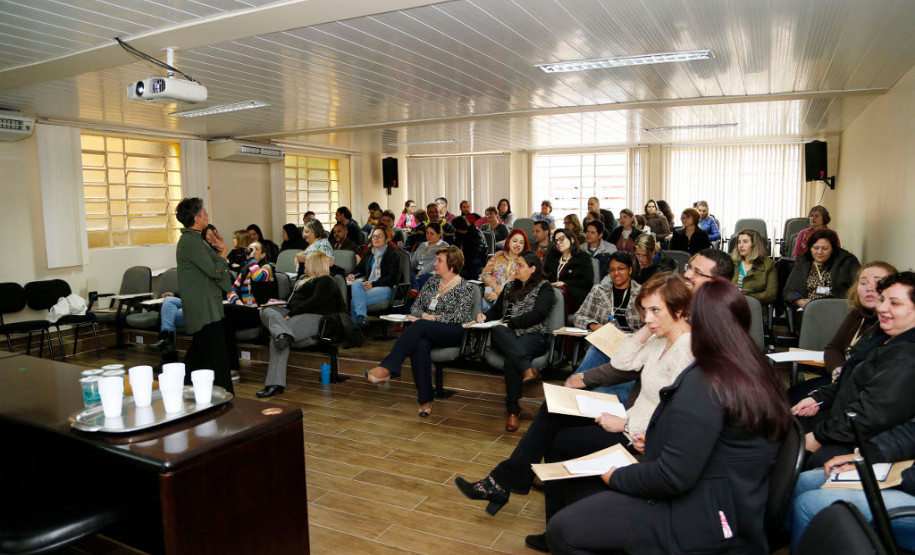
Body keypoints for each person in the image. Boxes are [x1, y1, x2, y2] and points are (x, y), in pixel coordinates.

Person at [545, 279, 790, 555]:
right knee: (581, 496)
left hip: (700, 518)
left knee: (563, 530)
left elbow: (672, 477)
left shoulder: (704, 380)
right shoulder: (760, 369)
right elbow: (709, 444)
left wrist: (615, 476)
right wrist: (654, 442)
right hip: (735, 507)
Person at [455, 274, 695, 531]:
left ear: (679, 309)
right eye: (645, 311)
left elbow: (678, 412)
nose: (647, 318)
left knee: (558, 440)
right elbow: (622, 362)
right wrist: (648, 327)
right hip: (631, 421)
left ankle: (507, 486)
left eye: (655, 310)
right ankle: (528, 504)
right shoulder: (660, 340)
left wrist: (625, 422)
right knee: (555, 409)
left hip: (640, 434)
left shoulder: (687, 349)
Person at [791, 271, 915, 468]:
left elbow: (870, 416)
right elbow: (850, 377)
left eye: (895, 303)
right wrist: (819, 397)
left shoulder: (907, 356)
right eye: (882, 300)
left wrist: (818, 436)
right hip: (842, 419)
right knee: (782, 424)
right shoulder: (882, 336)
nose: (881, 307)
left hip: (861, 438)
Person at [363, 246, 476, 416]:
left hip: (454, 332)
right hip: (427, 330)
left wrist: (431, 319)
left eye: (439, 261)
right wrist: (424, 315)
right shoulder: (431, 282)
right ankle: (425, 399)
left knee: (420, 326)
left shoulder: (465, 287)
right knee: (420, 344)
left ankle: (388, 367)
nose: (435, 264)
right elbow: (415, 308)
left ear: (452, 265)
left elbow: (460, 317)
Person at [790, 419, 915, 551]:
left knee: (808, 504)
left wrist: (898, 479)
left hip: (909, 483)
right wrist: (869, 455)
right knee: (804, 481)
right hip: (905, 473)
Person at [786, 261, 897, 404]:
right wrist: (837, 370)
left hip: (864, 393)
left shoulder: (891, 325)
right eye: (863, 283)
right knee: (792, 394)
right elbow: (834, 348)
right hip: (839, 380)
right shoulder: (858, 313)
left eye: (878, 283)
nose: (869, 288)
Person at [478, 252, 555, 431]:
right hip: (506, 336)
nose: (515, 268)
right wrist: (484, 316)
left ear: (533, 269)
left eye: (520, 265)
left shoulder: (545, 288)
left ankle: (513, 411)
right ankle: (527, 368)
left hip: (532, 336)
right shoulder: (509, 286)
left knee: (512, 356)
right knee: (497, 328)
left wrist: (511, 323)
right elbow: (496, 312)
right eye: (516, 265)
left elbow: (539, 314)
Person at [257, 251, 345, 398]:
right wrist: (275, 303)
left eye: (306, 263)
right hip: (294, 314)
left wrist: (291, 313)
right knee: (265, 310)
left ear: (314, 264)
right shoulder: (304, 279)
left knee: (277, 337)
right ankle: (282, 333)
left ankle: (275, 384)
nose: (303, 265)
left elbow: (315, 302)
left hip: (315, 318)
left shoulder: (326, 280)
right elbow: (290, 300)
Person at [175, 198, 234, 394]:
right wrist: (223, 253)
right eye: (204, 212)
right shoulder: (191, 241)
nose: (207, 215)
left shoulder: (195, 239)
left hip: (206, 303)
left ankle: (181, 389)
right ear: (196, 217)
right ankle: (226, 395)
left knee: (200, 352)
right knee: (216, 355)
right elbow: (214, 271)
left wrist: (219, 250)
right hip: (204, 306)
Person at [222, 241, 275, 376]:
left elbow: (258, 277)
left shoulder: (267, 268)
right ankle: (232, 368)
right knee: (225, 323)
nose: (251, 251)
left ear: (263, 255)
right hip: (244, 310)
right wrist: (238, 302)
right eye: (250, 249)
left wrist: (251, 260)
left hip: (260, 312)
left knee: (224, 310)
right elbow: (230, 291)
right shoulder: (245, 270)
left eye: (255, 249)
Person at [782, 228, 860, 315]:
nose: (819, 252)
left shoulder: (847, 262)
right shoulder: (803, 262)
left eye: (825, 248)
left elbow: (856, 289)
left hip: (837, 309)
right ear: (810, 248)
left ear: (833, 249)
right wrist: (798, 300)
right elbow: (788, 291)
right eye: (815, 248)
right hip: (809, 310)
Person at [348, 224, 400, 324]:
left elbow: (392, 278)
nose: (375, 238)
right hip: (369, 286)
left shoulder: (392, 254)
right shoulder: (369, 253)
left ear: (386, 239)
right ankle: (361, 319)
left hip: (386, 288)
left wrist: (373, 284)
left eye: (379, 236)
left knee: (355, 299)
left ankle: (357, 324)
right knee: (355, 284)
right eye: (373, 236)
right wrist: (354, 274)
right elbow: (360, 270)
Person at [543, 228, 594, 316]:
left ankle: (559, 326)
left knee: (559, 293)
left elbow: (587, 282)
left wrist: (565, 283)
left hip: (576, 296)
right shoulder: (553, 258)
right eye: (556, 241)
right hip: (554, 293)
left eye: (561, 239)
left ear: (572, 239)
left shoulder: (583, 258)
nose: (558, 243)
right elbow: (545, 275)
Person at [480, 228, 528, 307]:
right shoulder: (498, 255)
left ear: (524, 245)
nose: (518, 245)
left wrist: (500, 294)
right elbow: (485, 274)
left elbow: (522, 284)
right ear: (509, 241)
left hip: (511, 299)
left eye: (521, 242)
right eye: (515, 241)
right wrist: (495, 287)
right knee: (478, 306)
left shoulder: (525, 261)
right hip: (491, 293)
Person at [732, 228, 777, 304]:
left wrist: (748, 298)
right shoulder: (731, 260)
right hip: (731, 304)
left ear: (755, 245)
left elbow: (771, 294)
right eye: (739, 242)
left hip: (754, 306)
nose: (741, 246)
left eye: (745, 242)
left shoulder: (768, 264)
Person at [410, 222, 446, 290]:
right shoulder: (422, 245)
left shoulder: (443, 245)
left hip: (432, 272)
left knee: (418, 280)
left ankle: (414, 290)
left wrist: (421, 272)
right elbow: (414, 261)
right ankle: (413, 290)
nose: (428, 235)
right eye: (427, 233)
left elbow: (434, 263)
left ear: (439, 234)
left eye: (432, 234)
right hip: (418, 270)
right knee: (407, 274)